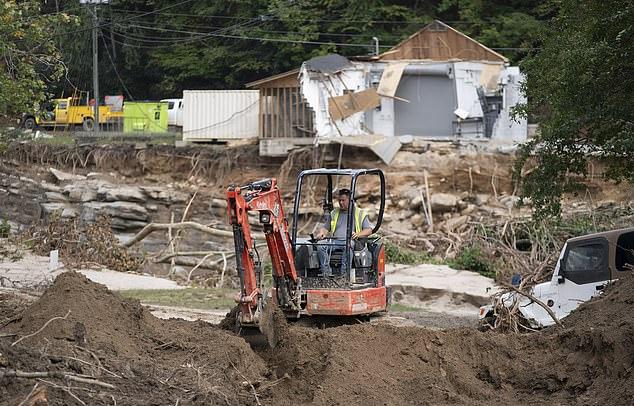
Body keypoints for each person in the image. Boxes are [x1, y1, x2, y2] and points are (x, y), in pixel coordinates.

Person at [314, 188, 373, 277]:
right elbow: (326, 228)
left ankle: (344, 275)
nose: (341, 203)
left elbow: (368, 230)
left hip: (351, 241)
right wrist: (322, 233)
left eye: (343, 200)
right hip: (334, 241)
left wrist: (358, 234)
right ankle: (326, 273)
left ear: (351, 200)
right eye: (339, 200)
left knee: (348, 245)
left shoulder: (360, 213)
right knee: (320, 245)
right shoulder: (334, 213)